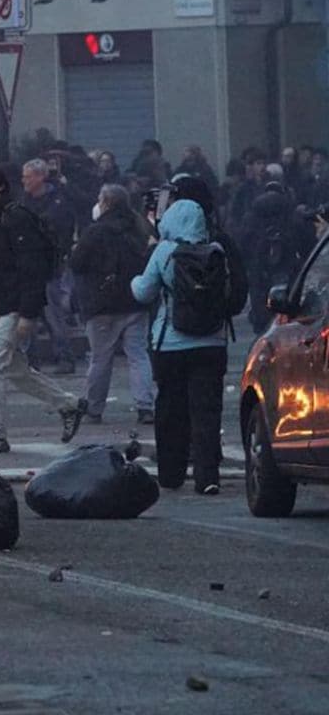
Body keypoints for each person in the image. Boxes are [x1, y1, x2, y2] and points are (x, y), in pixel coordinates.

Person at [131, 177, 247, 494]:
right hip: (212, 342)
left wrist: (134, 280)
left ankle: (171, 473)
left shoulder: (165, 251)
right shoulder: (217, 250)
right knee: (206, 411)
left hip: (170, 343)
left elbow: (142, 292)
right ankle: (208, 476)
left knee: (171, 410)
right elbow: (233, 293)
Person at [0, 164, 88, 455]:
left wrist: (28, 314)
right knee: (17, 371)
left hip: (14, 307)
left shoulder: (15, 218)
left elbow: (32, 270)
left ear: (1, 187)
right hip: (1, 305)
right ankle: (69, 405)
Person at [69, 185, 154, 425]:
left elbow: (77, 263)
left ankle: (94, 408)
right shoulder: (138, 228)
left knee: (100, 358)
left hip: (101, 305)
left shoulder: (95, 232)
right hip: (135, 301)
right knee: (138, 355)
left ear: (106, 203)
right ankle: (145, 406)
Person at [20, 159, 78, 375]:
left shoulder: (58, 202)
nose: (24, 181)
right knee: (28, 316)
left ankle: (65, 357)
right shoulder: (24, 201)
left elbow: (61, 232)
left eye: (28, 176)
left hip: (49, 268)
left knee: (53, 315)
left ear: (40, 177)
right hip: (27, 268)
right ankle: (30, 360)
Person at [240, 181, 316, 334]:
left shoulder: (252, 217)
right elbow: (308, 243)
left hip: (260, 273)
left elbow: (243, 245)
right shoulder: (292, 214)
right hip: (289, 270)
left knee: (262, 312)